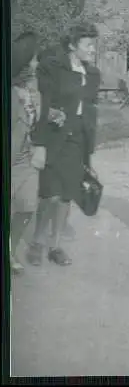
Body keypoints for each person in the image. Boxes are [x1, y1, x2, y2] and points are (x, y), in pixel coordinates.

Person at [26, 20, 101, 266]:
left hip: (77, 141)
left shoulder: (92, 74)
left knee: (66, 195)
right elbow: (41, 105)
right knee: (49, 194)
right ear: (72, 45)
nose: (93, 50)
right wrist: (39, 143)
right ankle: (37, 242)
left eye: (94, 45)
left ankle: (55, 246)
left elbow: (90, 112)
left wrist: (88, 153)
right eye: (88, 45)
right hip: (53, 137)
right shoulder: (52, 68)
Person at [11, 31, 39, 274]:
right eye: (33, 59)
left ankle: (10, 249)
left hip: (25, 157)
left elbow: (32, 118)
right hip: (10, 157)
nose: (36, 63)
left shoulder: (28, 90)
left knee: (28, 206)